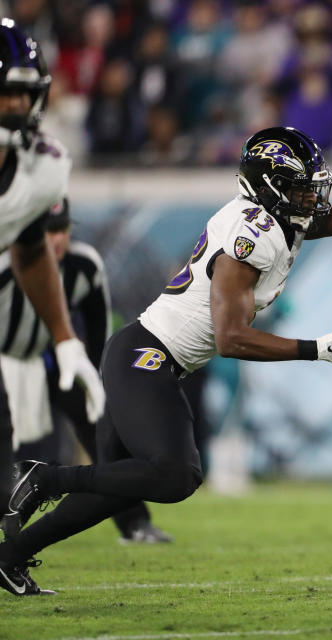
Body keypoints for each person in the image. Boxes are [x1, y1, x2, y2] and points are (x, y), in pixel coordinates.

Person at [0, 125, 332, 596]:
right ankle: (46, 477)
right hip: (147, 356)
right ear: (267, 187)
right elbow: (231, 339)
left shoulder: (277, 217)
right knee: (176, 474)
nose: (311, 198)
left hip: (148, 355)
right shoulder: (250, 235)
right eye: (300, 188)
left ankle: (8, 557)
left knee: (112, 491)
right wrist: (315, 349)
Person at [0, 199, 171, 544]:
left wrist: (101, 376)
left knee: (105, 431)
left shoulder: (84, 265)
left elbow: (97, 327)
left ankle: (134, 522)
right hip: (7, 362)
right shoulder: (7, 265)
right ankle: (9, 519)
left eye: (61, 229)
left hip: (57, 357)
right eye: (47, 231)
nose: (55, 240)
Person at [0, 18, 105, 568]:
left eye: (24, 91)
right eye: (4, 92)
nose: (16, 105)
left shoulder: (43, 166)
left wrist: (65, 340)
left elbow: (31, 248)